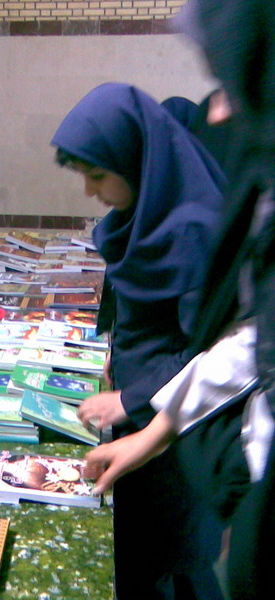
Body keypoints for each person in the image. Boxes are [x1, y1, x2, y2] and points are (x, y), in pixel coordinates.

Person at [84, 2, 275, 598]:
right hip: (200, 445)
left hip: (200, 462)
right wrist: (156, 424)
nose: (217, 112)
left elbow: (206, 338)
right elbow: (248, 343)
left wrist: (144, 406)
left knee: (179, 556)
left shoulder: (194, 228)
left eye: (234, 87)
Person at [51, 82, 226, 600]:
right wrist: (115, 351)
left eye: (97, 175)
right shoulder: (140, 216)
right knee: (139, 543)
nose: (90, 191)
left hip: (178, 428)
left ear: (136, 161)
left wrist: (132, 397)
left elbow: (211, 351)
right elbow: (137, 306)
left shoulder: (193, 230)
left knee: (170, 554)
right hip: (140, 405)